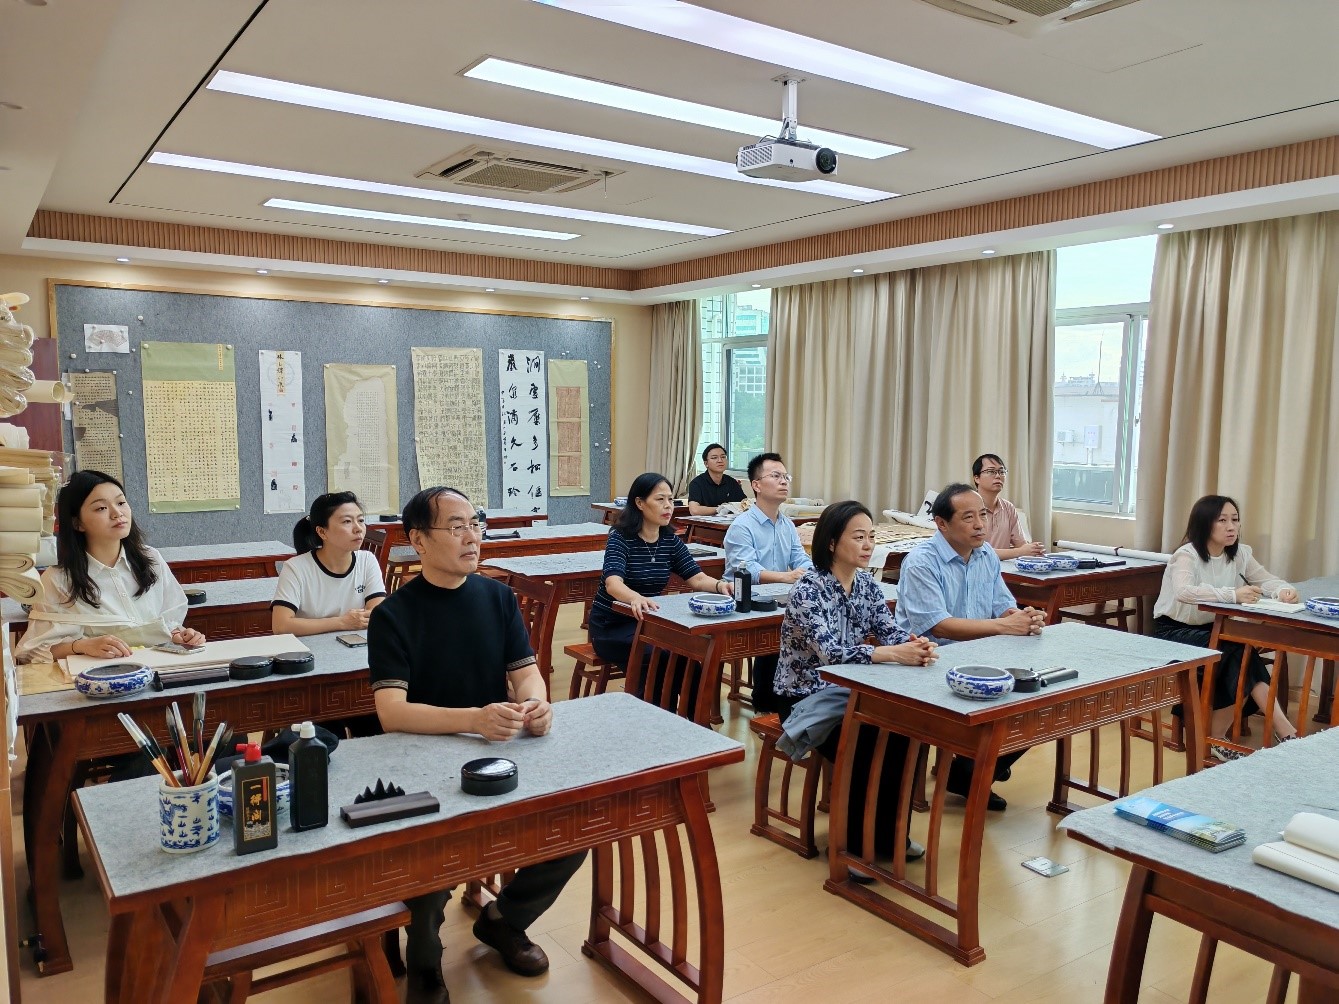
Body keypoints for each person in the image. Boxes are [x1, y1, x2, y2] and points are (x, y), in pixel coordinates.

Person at [368, 486, 586, 1003]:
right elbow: (391, 712)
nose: (472, 537)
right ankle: (425, 963)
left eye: (476, 524)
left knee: (573, 829)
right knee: (429, 863)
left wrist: (537, 704)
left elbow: (526, 672)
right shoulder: (393, 614)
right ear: (419, 540)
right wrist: (474, 719)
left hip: (495, 753)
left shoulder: (497, 597)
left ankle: (503, 920)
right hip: (421, 760)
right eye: (456, 527)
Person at [773, 501, 938, 870]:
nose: (868, 545)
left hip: (851, 692)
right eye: (859, 537)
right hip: (805, 697)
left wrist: (914, 644)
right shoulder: (808, 589)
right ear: (832, 542)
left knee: (902, 734)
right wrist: (892, 654)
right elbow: (831, 654)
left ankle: (887, 836)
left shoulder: (866, 584)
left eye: (872, 537)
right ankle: (851, 848)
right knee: (864, 744)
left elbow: (889, 632)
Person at [894, 483, 1046, 811]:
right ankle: (974, 766)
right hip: (929, 661)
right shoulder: (921, 562)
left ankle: (970, 769)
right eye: (968, 518)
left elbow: (1002, 606)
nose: (980, 525)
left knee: (1035, 697)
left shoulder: (986, 554)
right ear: (941, 523)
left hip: (979, 655)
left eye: (983, 516)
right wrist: (1005, 627)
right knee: (1003, 698)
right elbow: (939, 625)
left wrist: (1022, 617)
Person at [1152, 494, 1300, 758]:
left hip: (1214, 630)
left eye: (1235, 519)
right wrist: (1233, 595)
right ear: (1204, 524)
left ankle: (1220, 738)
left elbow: (1267, 580)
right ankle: (1279, 732)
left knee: (1241, 654)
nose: (1231, 527)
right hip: (1173, 632)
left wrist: (1283, 591)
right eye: (1222, 520)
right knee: (1238, 653)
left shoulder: (1240, 553)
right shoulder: (1186, 556)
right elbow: (1184, 591)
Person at [17, 470, 205, 664]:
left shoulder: (151, 559)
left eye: (121, 502)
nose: (117, 513)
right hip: (97, 676)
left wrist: (182, 636)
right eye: (101, 508)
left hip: (159, 669)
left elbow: (170, 625)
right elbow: (33, 652)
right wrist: (81, 646)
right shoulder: (58, 579)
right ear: (77, 523)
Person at [589, 472, 732, 674]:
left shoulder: (669, 540)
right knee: (661, 657)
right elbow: (613, 584)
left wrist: (721, 586)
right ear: (639, 503)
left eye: (670, 499)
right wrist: (635, 598)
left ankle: (683, 698)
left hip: (649, 623)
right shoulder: (620, 538)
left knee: (691, 657)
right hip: (612, 627)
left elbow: (698, 579)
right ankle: (647, 695)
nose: (668, 506)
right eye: (660, 499)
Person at [723, 452, 814, 711]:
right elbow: (747, 569)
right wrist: (786, 576)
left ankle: (790, 701)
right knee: (778, 633)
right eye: (776, 476)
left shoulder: (787, 525)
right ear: (756, 485)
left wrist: (812, 573)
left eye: (786, 476)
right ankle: (766, 703)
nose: (783, 481)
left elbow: (800, 559)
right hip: (741, 599)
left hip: (777, 597)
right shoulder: (742, 525)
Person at [271, 491, 386, 636]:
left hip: (357, 645)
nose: (358, 528)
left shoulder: (367, 560)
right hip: (309, 647)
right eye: (347, 521)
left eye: (361, 520)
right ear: (322, 532)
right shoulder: (295, 568)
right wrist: (342, 622)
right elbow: (281, 625)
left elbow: (378, 615)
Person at [971, 453, 1044, 560]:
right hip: (976, 566)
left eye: (1002, 472)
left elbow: (1021, 545)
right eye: (991, 471)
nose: (998, 476)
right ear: (977, 478)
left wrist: (1033, 549)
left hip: (1004, 567)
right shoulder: (969, 507)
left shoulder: (1008, 507)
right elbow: (976, 552)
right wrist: (1019, 552)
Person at [687, 442, 746, 515]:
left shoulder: (732, 482)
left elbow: (744, 505)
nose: (720, 461)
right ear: (706, 464)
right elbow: (694, 510)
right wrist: (721, 509)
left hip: (730, 521)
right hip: (705, 521)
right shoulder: (697, 483)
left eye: (723, 457)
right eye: (714, 458)